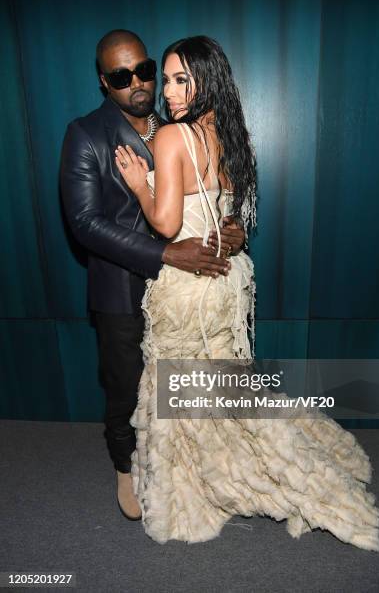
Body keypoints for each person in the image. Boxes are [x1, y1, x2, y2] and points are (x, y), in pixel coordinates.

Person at [115, 35, 379, 551]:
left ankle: (201, 482)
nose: (169, 91)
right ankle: (257, 465)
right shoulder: (231, 135)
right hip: (229, 282)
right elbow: (237, 219)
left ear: (205, 81)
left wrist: (139, 185)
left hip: (190, 289)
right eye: (166, 79)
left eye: (181, 79)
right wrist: (226, 227)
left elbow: (168, 226)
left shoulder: (171, 139)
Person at [60, 30, 245, 521]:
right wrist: (165, 254)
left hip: (186, 293)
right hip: (124, 286)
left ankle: (181, 465)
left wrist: (230, 227)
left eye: (145, 70)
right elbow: (84, 224)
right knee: (126, 387)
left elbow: (207, 196)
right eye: (122, 76)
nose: (139, 83)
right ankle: (125, 465)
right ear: (105, 82)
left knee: (182, 387)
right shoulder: (85, 134)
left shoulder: (175, 124)